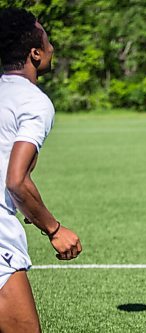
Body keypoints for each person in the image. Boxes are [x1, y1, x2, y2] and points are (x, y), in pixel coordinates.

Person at [0, 8, 82, 332]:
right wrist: (54, 229)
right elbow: (17, 180)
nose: (52, 48)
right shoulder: (34, 102)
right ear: (35, 53)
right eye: (47, 41)